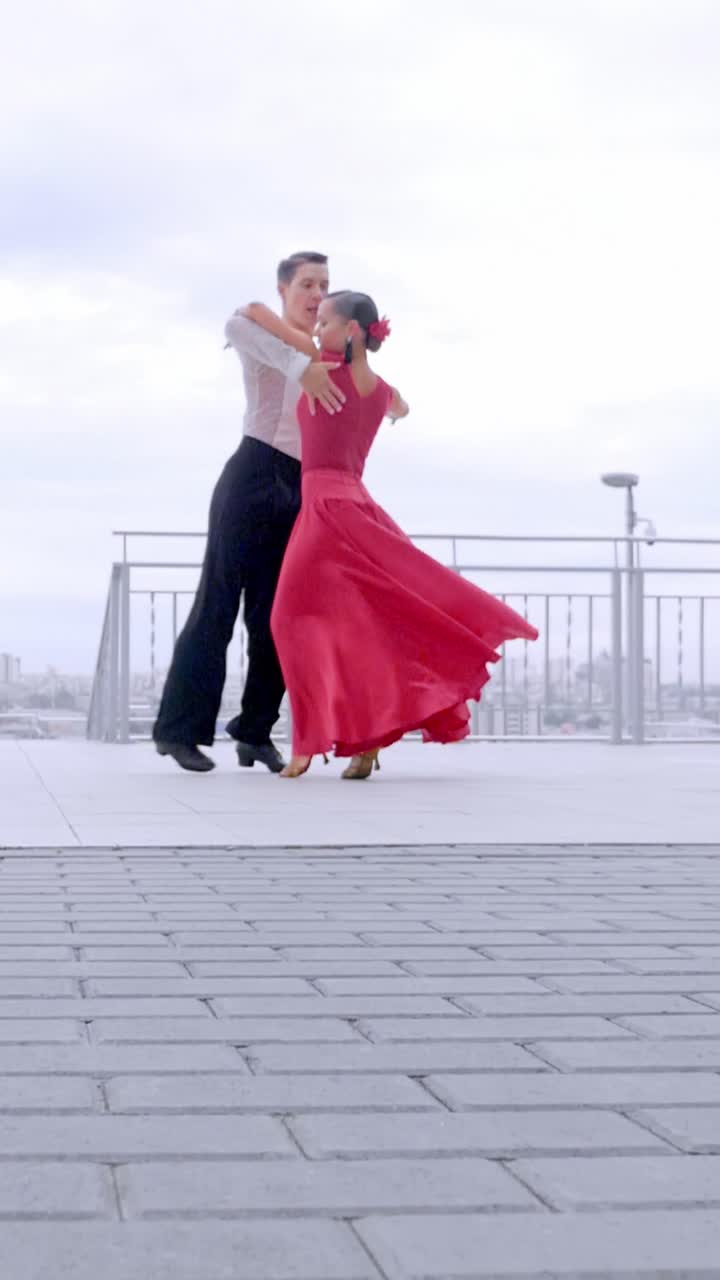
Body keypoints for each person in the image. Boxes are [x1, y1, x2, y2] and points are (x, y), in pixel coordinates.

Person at [243, 290, 539, 779]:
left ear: (351, 331)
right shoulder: (375, 388)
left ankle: (307, 742)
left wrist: (300, 342)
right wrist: (387, 405)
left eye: (325, 322)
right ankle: (365, 742)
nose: (317, 329)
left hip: (327, 509)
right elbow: (401, 407)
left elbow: (255, 313)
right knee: (361, 625)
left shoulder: (320, 370)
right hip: (353, 503)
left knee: (288, 618)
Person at [153, 251, 346, 773]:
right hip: (252, 474)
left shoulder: (329, 350)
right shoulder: (258, 330)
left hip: (301, 485)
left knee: (280, 616)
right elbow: (241, 325)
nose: (316, 294)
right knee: (216, 604)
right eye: (307, 283)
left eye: (324, 285)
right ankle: (179, 732)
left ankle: (254, 732)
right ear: (284, 289)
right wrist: (294, 353)